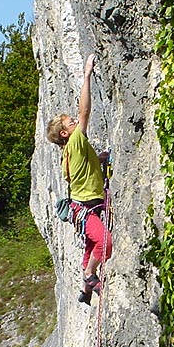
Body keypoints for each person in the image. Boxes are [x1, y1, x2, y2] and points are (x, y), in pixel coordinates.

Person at [45, 54, 113, 305]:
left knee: (91, 247)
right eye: (70, 123)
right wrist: (86, 76)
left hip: (84, 207)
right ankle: (89, 274)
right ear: (65, 133)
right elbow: (85, 111)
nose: (75, 122)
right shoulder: (75, 140)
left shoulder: (73, 151)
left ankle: (85, 292)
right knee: (104, 242)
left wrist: (100, 159)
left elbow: (85, 166)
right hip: (87, 208)